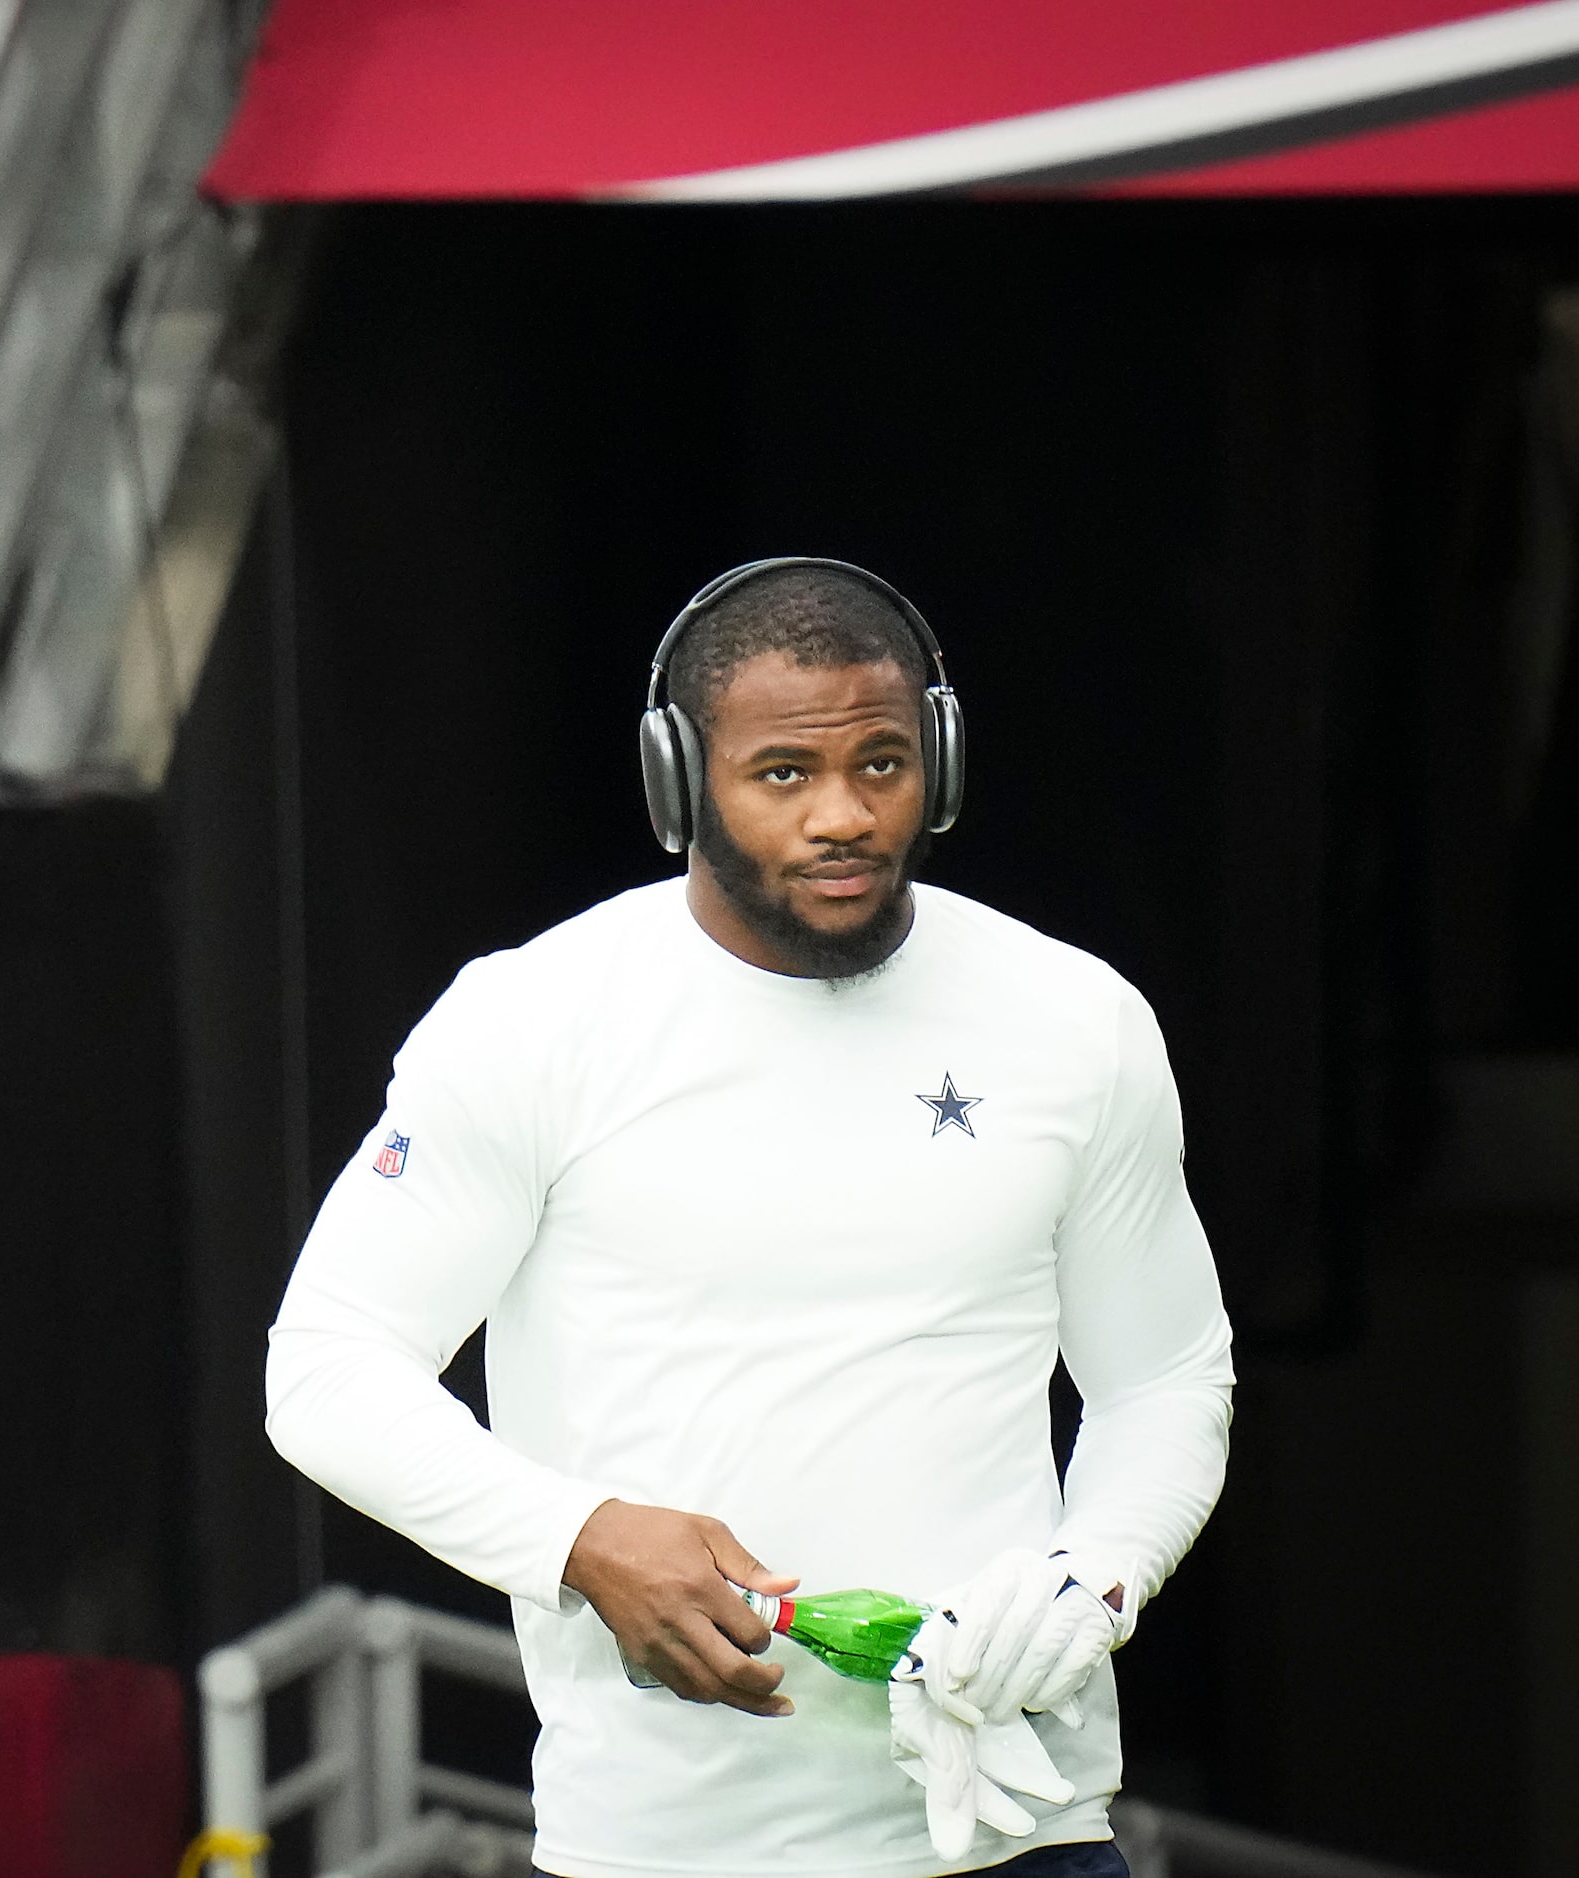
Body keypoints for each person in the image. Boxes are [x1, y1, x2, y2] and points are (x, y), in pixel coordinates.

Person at [266, 560, 1234, 1878]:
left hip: (1022, 1830)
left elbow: (1163, 1375)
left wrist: (1095, 1577)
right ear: (678, 781)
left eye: (882, 763)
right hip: (661, 1849)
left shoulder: (1075, 1019)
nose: (843, 815)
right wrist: (580, 1537)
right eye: (783, 772)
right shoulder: (531, 1022)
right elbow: (324, 1371)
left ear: (938, 761)